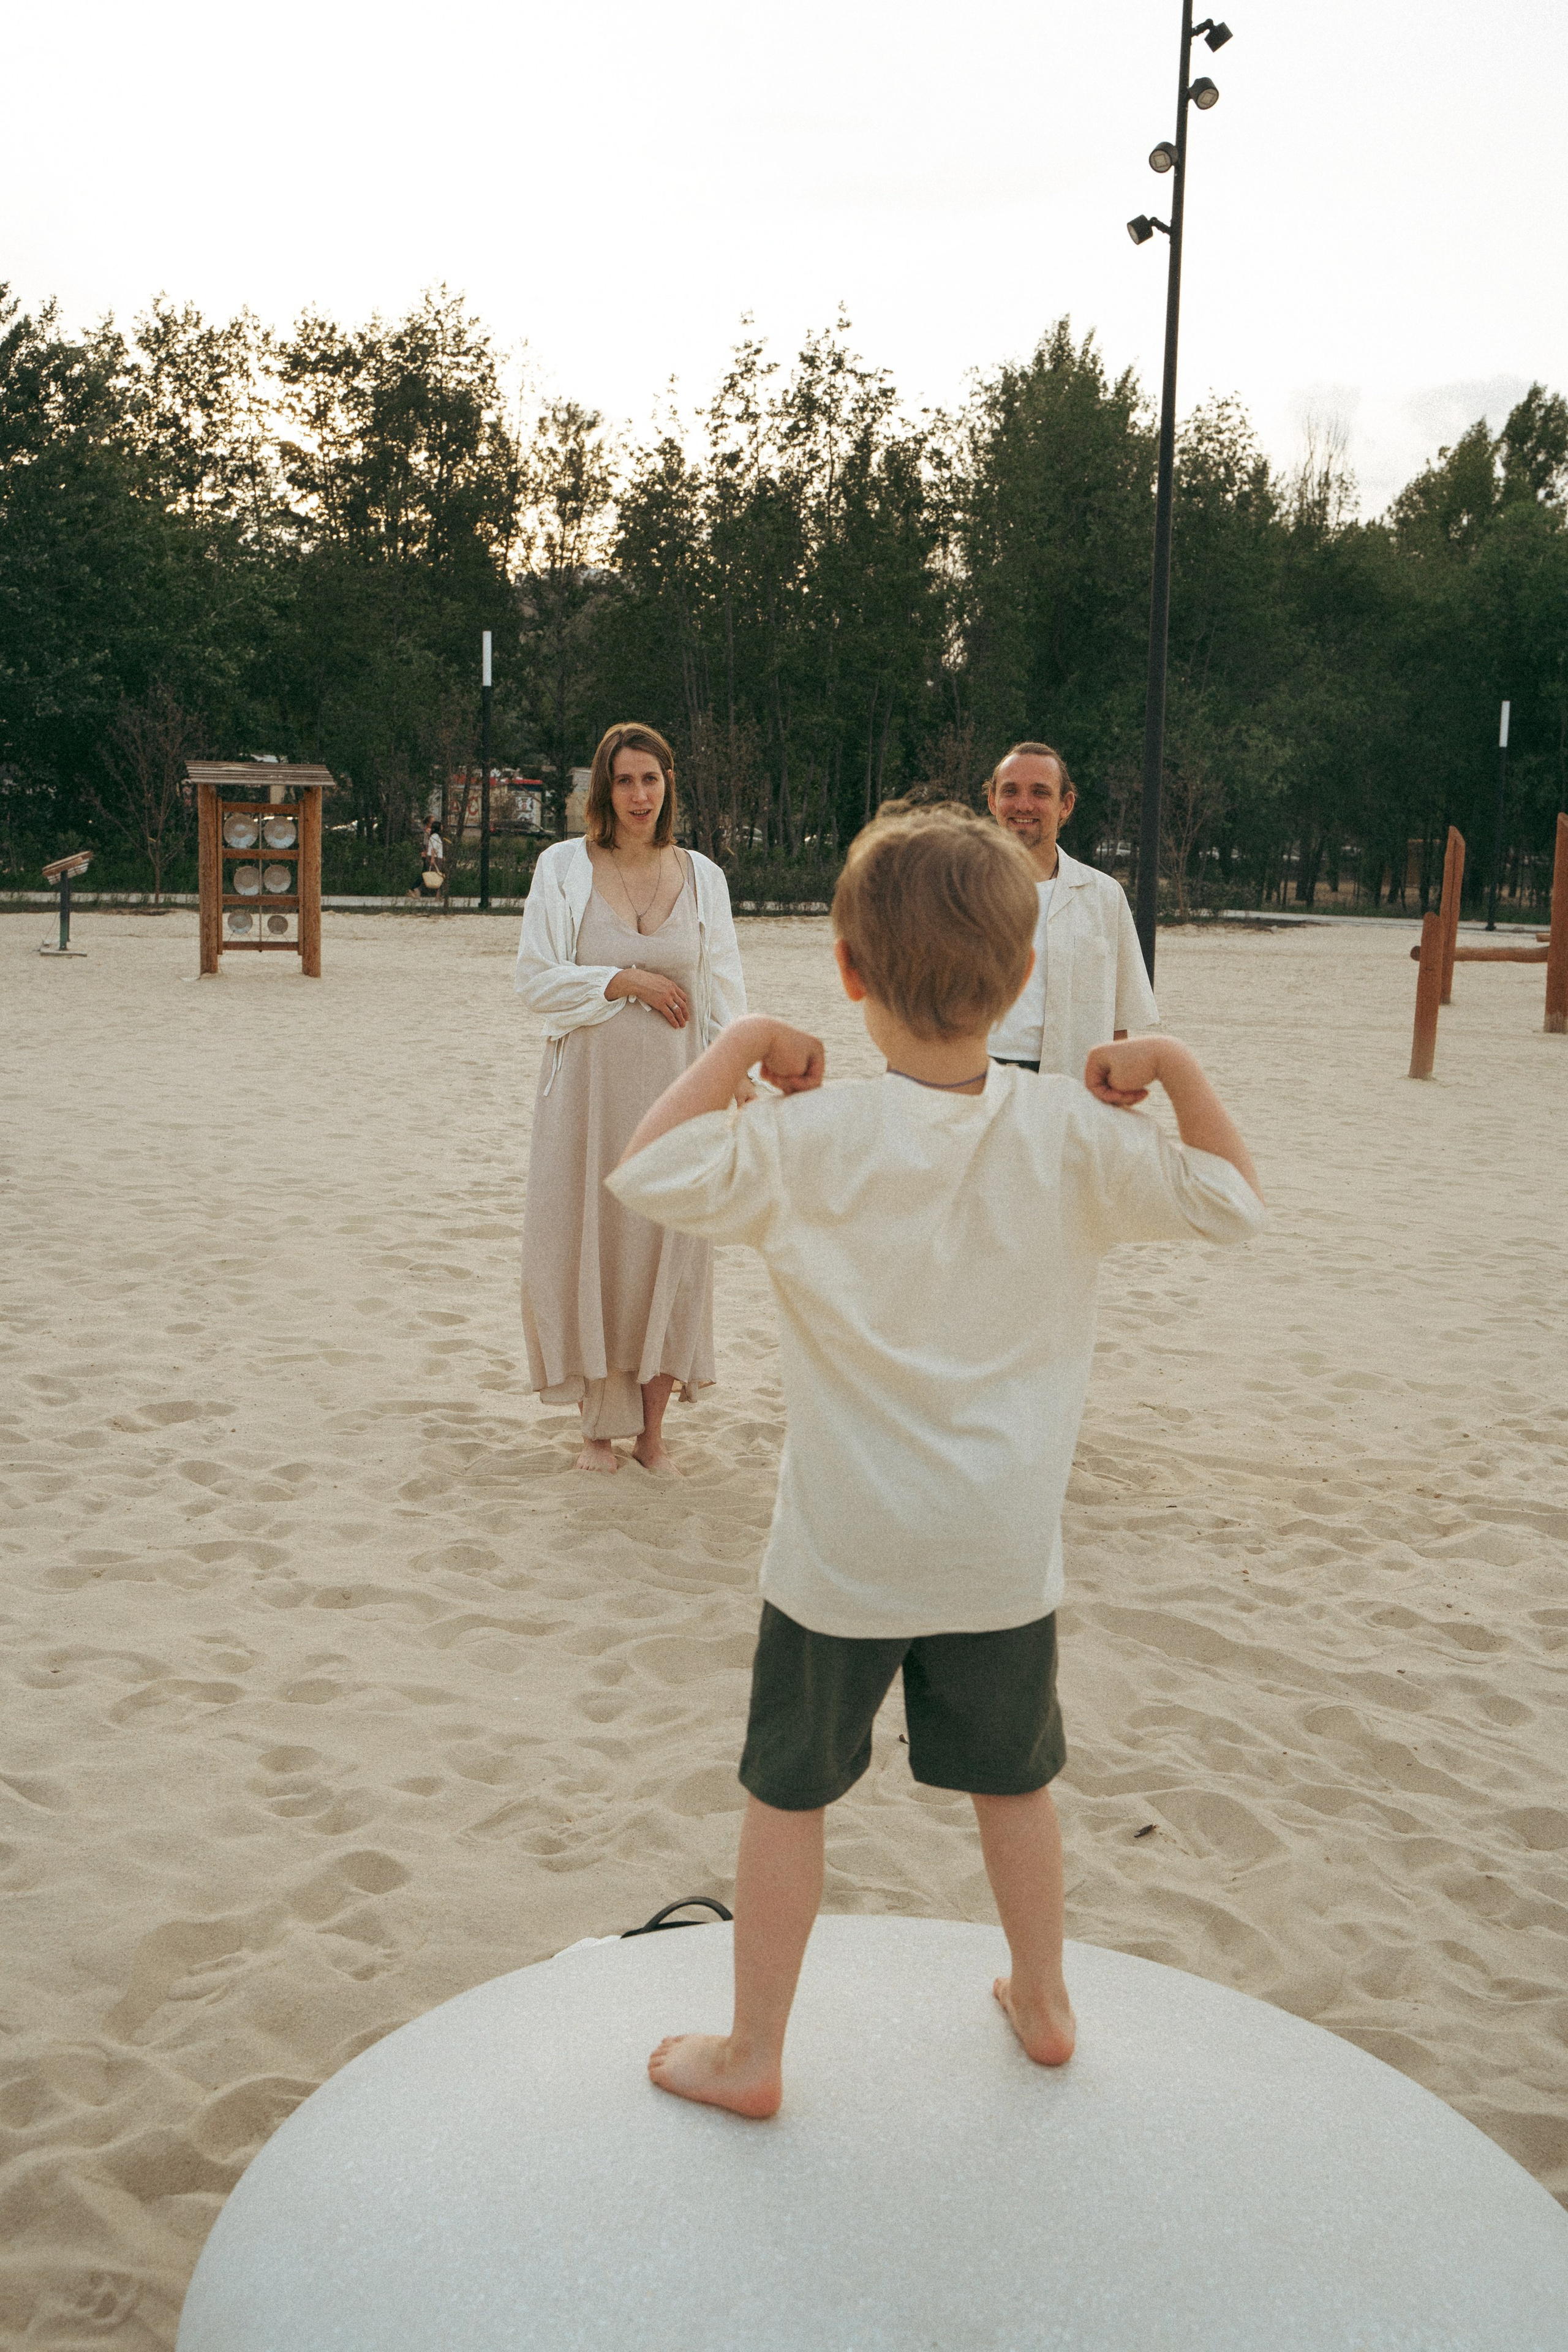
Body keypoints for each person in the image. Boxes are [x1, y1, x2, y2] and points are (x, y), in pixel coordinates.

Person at [605, 799, 1263, 2116]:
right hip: (1000, 1547)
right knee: (1013, 1785)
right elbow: (1230, 1204)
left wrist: (738, 1041)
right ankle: (1044, 1999)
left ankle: (753, 2052)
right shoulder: (1069, 1138)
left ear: (847, 976)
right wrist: (1174, 1067)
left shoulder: (809, 1141)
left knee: (787, 1793)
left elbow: (647, 1169)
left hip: (841, 1549)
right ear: (1023, 980)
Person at [516, 723, 748, 1476]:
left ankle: (651, 1434)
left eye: (651, 779)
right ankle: (597, 1432)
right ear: (602, 790)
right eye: (624, 781)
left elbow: (722, 993)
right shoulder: (562, 867)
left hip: (679, 1095)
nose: (639, 795)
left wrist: (737, 1070)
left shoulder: (703, 876)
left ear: (668, 784)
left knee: (668, 1249)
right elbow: (536, 980)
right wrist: (622, 980)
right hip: (585, 1101)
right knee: (590, 1245)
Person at [987, 742, 1158, 1079]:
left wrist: (1113, 1102)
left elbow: (1119, 1020)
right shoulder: (952, 894)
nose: (1023, 804)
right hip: (973, 1088)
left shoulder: (1105, 897)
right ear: (993, 801)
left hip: (1069, 1088)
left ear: (1066, 805)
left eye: (1040, 792)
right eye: (1010, 791)